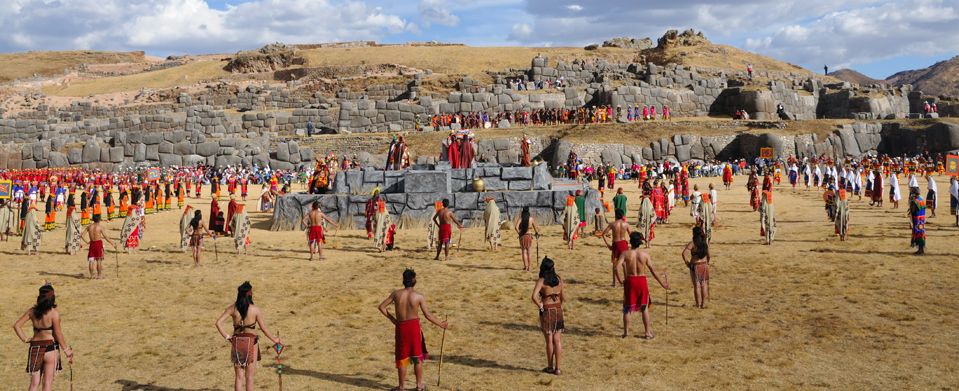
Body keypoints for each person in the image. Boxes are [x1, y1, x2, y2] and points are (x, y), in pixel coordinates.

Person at [378, 269, 449, 391]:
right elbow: (428, 315)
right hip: (414, 328)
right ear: (414, 280)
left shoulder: (396, 294)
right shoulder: (418, 296)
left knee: (402, 357)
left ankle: (401, 387)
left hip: (401, 328)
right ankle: (419, 385)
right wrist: (441, 324)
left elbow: (382, 307)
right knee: (417, 357)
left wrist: (394, 320)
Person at [215, 282, 281, 391]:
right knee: (249, 377)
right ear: (249, 293)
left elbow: (218, 323)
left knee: (239, 377)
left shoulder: (232, 308)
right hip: (251, 343)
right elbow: (264, 329)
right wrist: (275, 339)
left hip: (237, 342)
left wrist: (228, 337)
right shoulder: (255, 309)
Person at [13, 283, 74, 391]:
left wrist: (26, 339)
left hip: (35, 348)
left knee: (34, 384)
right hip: (50, 348)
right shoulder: (54, 313)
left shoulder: (32, 311)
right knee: (47, 384)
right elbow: (57, 334)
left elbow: (17, 326)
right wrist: (66, 350)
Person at [615, 232, 668, 339]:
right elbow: (653, 271)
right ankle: (647, 333)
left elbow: (616, 267)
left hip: (630, 280)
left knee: (627, 308)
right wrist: (663, 283)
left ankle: (625, 333)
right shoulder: (645, 255)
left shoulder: (625, 254)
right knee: (644, 308)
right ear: (640, 242)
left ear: (630, 242)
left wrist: (620, 280)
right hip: (641, 281)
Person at [531, 258, 564, 375]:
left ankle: (550, 367)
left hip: (547, 310)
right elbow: (563, 297)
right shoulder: (559, 279)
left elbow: (534, 296)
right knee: (557, 340)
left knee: (549, 340)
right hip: (558, 309)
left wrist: (540, 305)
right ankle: (558, 368)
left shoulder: (541, 281)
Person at [682, 227, 711, 309]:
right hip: (704, 264)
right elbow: (709, 255)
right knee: (704, 284)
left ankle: (698, 304)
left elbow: (684, 253)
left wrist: (687, 263)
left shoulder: (693, 243)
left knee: (697, 286)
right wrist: (707, 263)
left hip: (695, 265)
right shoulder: (705, 243)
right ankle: (703, 304)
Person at [602, 209, 631, 286]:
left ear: (615, 215)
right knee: (624, 263)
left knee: (615, 263)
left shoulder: (612, 224)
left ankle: (614, 282)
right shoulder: (626, 224)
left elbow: (604, 234)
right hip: (624, 243)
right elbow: (631, 235)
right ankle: (626, 281)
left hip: (616, 244)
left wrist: (608, 245)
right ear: (622, 215)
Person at [82, 214, 117, 279]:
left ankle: (91, 275)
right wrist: (113, 244)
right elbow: (106, 237)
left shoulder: (89, 227)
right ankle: (99, 275)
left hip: (92, 243)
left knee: (91, 260)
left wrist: (87, 242)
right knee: (98, 260)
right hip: (98, 243)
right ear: (99, 220)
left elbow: (82, 235)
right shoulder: (100, 227)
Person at [515, 206, 540, 271]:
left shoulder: (521, 218)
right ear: (528, 211)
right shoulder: (531, 219)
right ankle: (529, 267)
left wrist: (519, 233)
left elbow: (516, 227)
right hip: (529, 235)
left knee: (524, 251)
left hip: (522, 236)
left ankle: (525, 266)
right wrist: (537, 233)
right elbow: (536, 229)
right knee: (529, 251)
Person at [908, 188, 926, 255]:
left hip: (916, 220)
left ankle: (920, 250)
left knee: (918, 234)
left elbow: (913, 211)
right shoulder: (921, 200)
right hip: (922, 220)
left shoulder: (914, 201)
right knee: (921, 233)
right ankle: (921, 249)